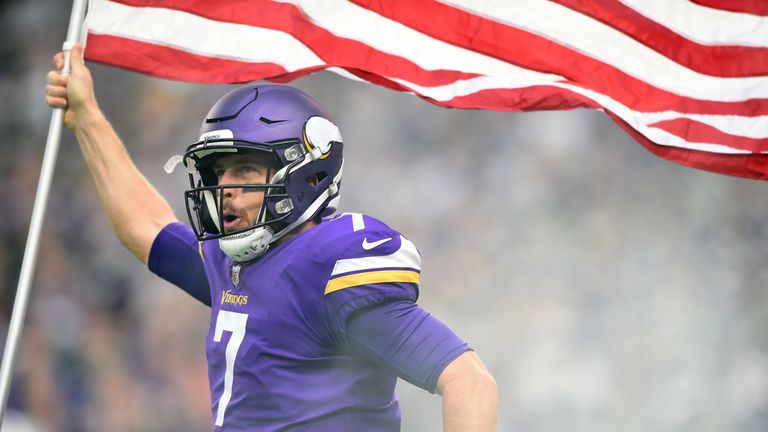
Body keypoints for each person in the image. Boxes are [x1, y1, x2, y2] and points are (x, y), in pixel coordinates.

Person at [45, 44, 498, 431]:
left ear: (306, 171)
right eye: (220, 173)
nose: (225, 191)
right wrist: (87, 119)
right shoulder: (232, 262)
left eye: (245, 169)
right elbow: (144, 228)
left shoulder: (329, 265)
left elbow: (468, 380)